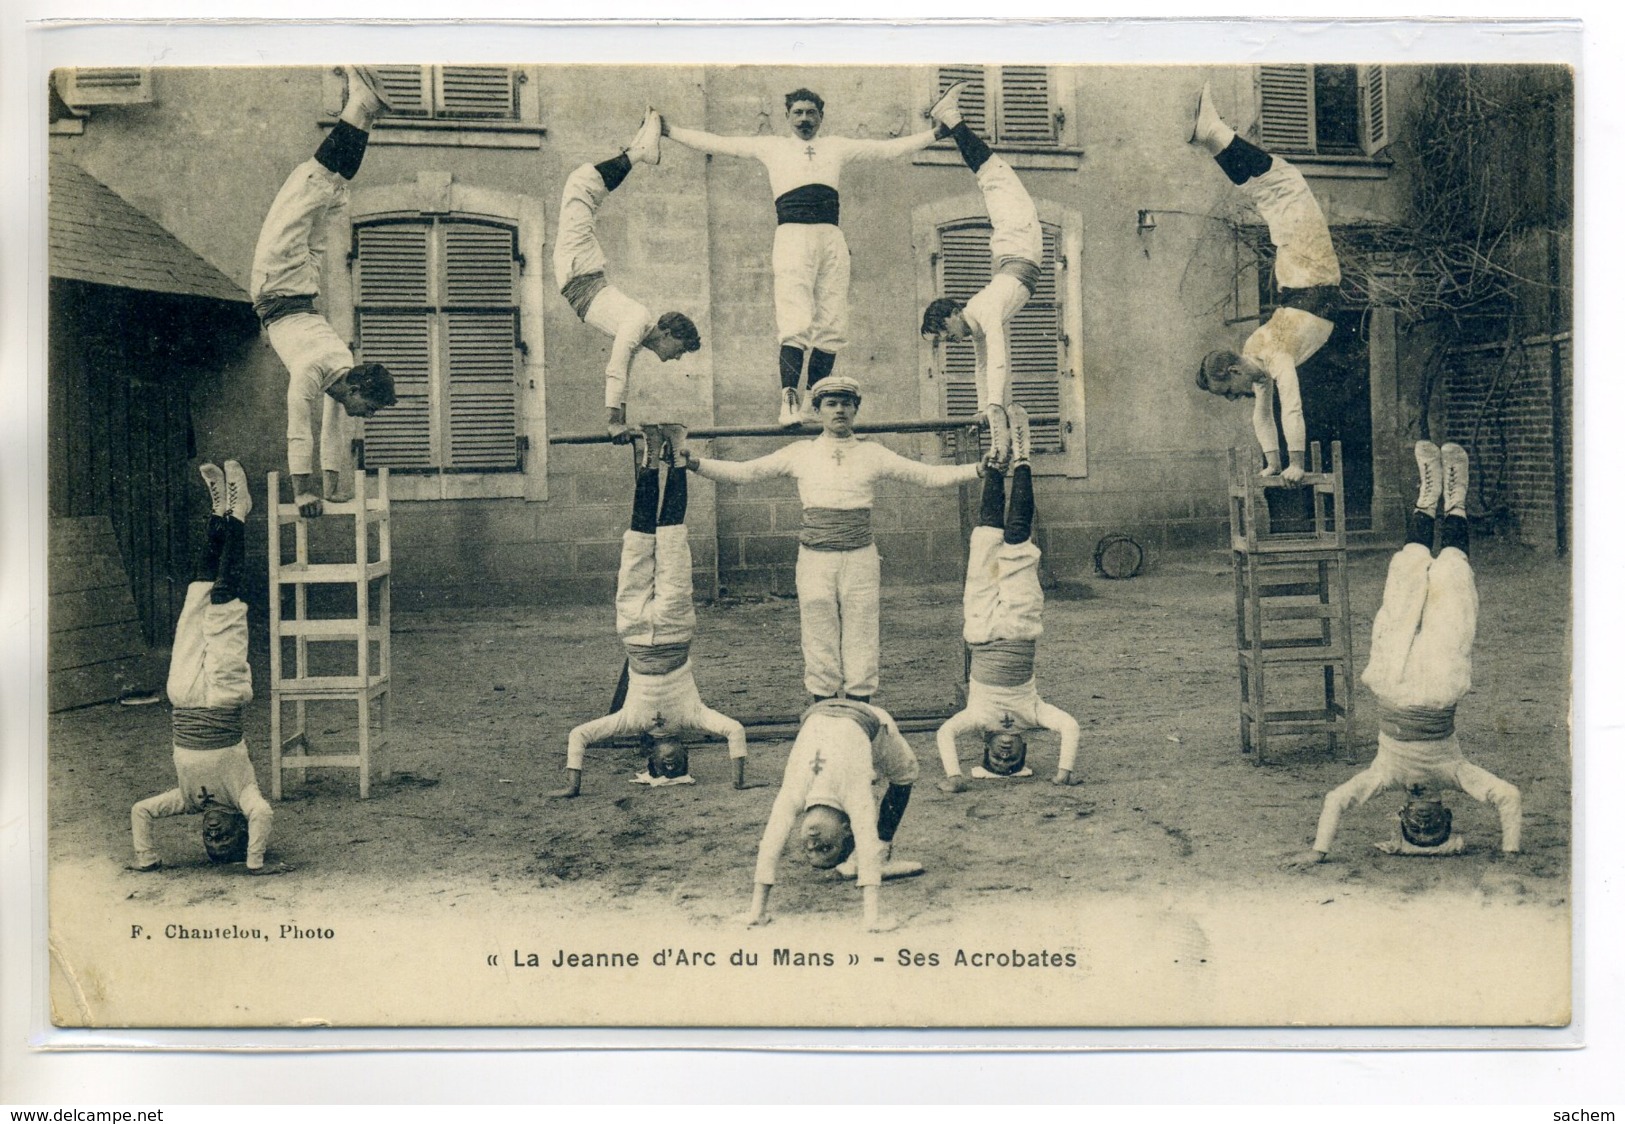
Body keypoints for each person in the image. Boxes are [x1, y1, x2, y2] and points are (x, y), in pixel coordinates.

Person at [1286, 441, 1523, 865]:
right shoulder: (1456, 774)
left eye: (1417, 826)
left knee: (1407, 574)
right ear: (1447, 814)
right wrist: (1510, 851)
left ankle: (1425, 498)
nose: (1424, 819)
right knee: (1452, 575)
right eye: (1435, 827)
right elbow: (1508, 796)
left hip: (1391, 678)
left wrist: (1318, 851)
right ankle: (1455, 500)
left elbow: (1337, 799)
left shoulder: (1386, 775)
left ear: (1401, 815)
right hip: (1439, 681)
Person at [681, 376, 983, 703]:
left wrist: (979, 469)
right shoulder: (801, 452)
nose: (839, 410)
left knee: (862, 630)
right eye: (831, 404)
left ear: (855, 410)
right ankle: (823, 707)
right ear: (818, 410)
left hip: (860, 558)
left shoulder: (873, 453)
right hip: (814, 559)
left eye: (846, 404)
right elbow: (745, 472)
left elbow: (927, 476)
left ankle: (858, 708)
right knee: (817, 629)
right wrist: (695, 464)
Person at [661, 88, 942, 426]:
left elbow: (886, 149)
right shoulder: (773, 147)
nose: (805, 119)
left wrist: (937, 133)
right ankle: (789, 403)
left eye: (811, 113)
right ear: (787, 117)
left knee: (833, 326)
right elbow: (720, 143)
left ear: (821, 116)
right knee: (795, 324)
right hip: (793, 236)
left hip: (831, 237)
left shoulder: (836, 146)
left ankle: (813, 400)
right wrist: (670, 131)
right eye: (798, 113)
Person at [552, 449, 748, 797]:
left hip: (634, 629)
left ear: (649, 761)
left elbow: (579, 735)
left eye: (663, 770)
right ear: (689, 755)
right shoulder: (694, 717)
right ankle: (675, 460)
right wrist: (739, 780)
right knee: (673, 541)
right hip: (674, 627)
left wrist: (572, 785)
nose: (671, 766)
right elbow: (734, 731)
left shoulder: (630, 721)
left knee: (637, 543)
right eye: (680, 769)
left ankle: (648, 460)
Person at [250, 65, 398, 518]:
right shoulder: (317, 369)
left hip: (294, 290)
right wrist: (304, 492)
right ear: (355, 386)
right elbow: (300, 427)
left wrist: (333, 486)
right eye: (367, 409)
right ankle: (360, 109)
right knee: (313, 188)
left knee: (326, 191)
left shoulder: (342, 377)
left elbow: (331, 434)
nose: (365, 417)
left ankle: (362, 109)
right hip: (278, 282)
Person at [129, 461, 288, 875]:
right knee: (223, 598)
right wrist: (255, 863)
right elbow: (264, 816)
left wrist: (147, 858)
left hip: (182, 697)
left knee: (197, 592)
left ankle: (219, 513)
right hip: (222, 693)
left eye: (208, 841)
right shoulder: (245, 797)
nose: (214, 835)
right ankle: (241, 512)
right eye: (226, 839)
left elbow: (141, 812)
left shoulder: (187, 800)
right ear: (240, 828)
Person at [1189, 81, 1342, 487]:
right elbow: (1263, 414)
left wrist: (1295, 462)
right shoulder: (1255, 359)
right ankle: (1212, 135)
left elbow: (1290, 405)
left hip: (1309, 275)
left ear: (1234, 370)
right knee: (1274, 193)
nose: (1237, 398)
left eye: (1230, 391)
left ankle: (1214, 134)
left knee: (1283, 186)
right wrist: (1273, 464)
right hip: (1300, 278)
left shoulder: (1270, 355)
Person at [934, 406, 1081, 790]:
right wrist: (1063, 771)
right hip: (1019, 626)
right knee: (1016, 541)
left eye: (996, 760)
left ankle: (997, 458)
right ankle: (1022, 456)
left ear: (983, 749)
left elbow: (945, 735)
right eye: (1012, 760)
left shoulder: (976, 719)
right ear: (1024, 750)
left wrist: (953, 775)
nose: (1005, 754)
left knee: (984, 539)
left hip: (981, 627)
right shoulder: (1034, 716)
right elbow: (1069, 726)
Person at [554, 110, 703, 446]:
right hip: (580, 270)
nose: (679, 357)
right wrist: (613, 423)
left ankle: (640, 148)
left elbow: (624, 372)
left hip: (580, 273)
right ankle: (640, 150)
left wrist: (621, 418)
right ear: (666, 332)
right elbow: (616, 368)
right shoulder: (638, 320)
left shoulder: (639, 328)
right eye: (680, 349)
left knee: (583, 189)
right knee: (581, 185)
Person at [917, 81, 1045, 468]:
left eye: (942, 334)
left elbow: (999, 358)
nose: (948, 341)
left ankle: (950, 116)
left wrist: (992, 405)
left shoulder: (982, 308)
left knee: (993, 174)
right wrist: (982, 407)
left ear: (950, 315)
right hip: (1016, 248)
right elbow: (982, 365)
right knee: (992, 176)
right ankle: (951, 117)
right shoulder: (974, 318)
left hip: (1018, 240)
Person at [744, 698, 923, 932]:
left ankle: (870, 853)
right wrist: (872, 918)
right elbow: (867, 844)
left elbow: (771, 842)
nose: (813, 842)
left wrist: (757, 911)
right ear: (847, 830)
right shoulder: (853, 796)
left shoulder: (795, 793)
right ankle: (884, 852)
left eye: (809, 849)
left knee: (872, 773)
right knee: (907, 772)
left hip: (821, 711)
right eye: (826, 848)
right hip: (874, 722)